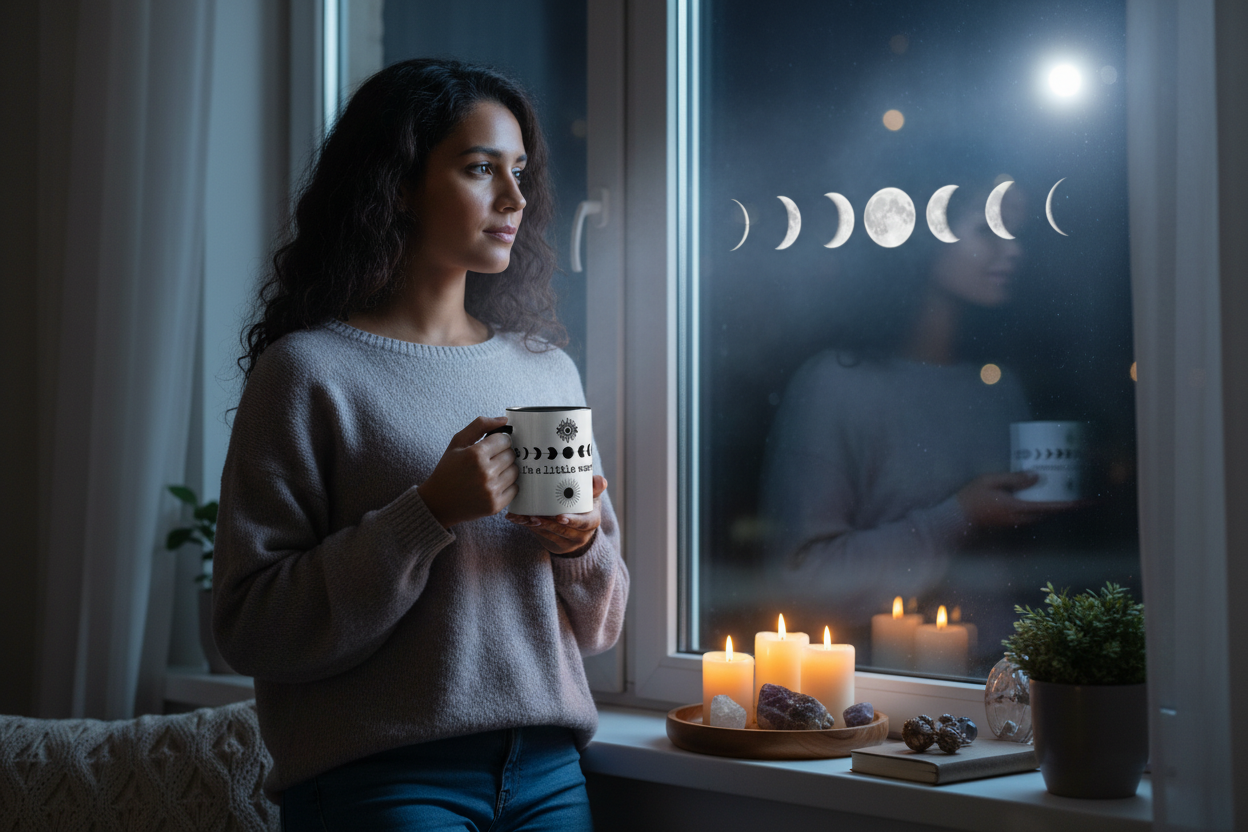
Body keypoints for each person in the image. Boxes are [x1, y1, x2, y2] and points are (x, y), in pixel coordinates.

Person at [213, 58, 627, 831]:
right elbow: (249, 624)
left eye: (519, 172)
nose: (514, 199)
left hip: (548, 775)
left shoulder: (545, 371)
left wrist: (578, 547)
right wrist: (429, 511)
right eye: (480, 169)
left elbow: (601, 626)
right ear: (399, 184)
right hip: (383, 782)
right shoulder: (309, 372)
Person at [761, 175, 1071, 632]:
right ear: (919, 231)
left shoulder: (1000, 387)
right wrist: (960, 515)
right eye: (987, 230)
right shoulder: (834, 385)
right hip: (887, 691)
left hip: (1007, 683)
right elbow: (803, 580)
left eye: (1016, 232)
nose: (1013, 249)